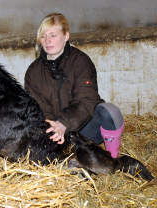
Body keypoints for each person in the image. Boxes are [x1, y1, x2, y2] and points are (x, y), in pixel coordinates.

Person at [24, 13, 124, 158]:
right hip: (55, 133)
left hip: (84, 127)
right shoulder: (33, 72)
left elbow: (86, 100)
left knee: (109, 112)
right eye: (44, 36)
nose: (47, 41)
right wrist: (54, 129)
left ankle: (112, 157)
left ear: (66, 36)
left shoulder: (81, 62)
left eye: (53, 35)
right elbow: (40, 109)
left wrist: (64, 124)